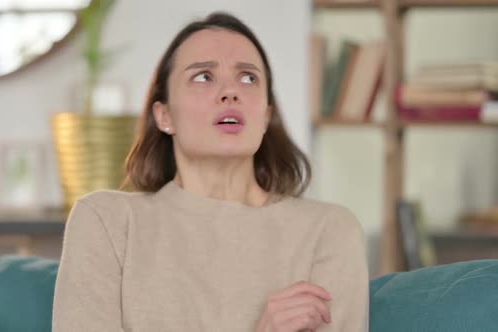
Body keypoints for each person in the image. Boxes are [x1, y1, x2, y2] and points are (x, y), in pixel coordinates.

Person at [52, 12, 368, 332]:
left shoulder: (328, 231)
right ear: (164, 115)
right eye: (203, 76)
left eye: (248, 78)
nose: (231, 91)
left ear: (265, 115)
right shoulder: (107, 222)